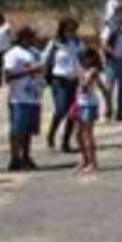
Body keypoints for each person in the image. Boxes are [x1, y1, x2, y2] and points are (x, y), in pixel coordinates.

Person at [3, 26, 45, 171]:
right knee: (17, 129)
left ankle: (26, 156)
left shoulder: (35, 52)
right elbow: (8, 76)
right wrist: (30, 71)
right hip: (19, 97)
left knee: (28, 130)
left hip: (34, 96)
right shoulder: (13, 53)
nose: (33, 39)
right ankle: (15, 158)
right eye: (30, 37)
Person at [44, 17, 83, 153]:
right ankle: (51, 134)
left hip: (74, 80)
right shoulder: (55, 44)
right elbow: (45, 60)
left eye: (74, 30)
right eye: (69, 30)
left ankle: (66, 141)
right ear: (63, 30)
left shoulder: (78, 43)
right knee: (61, 108)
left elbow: (82, 59)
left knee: (73, 111)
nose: (72, 32)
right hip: (59, 80)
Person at [74, 47, 106, 175]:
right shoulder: (84, 70)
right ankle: (85, 159)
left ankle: (93, 163)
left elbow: (85, 87)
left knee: (88, 135)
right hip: (80, 103)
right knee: (78, 133)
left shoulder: (93, 71)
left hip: (89, 104)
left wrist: (80, 74)